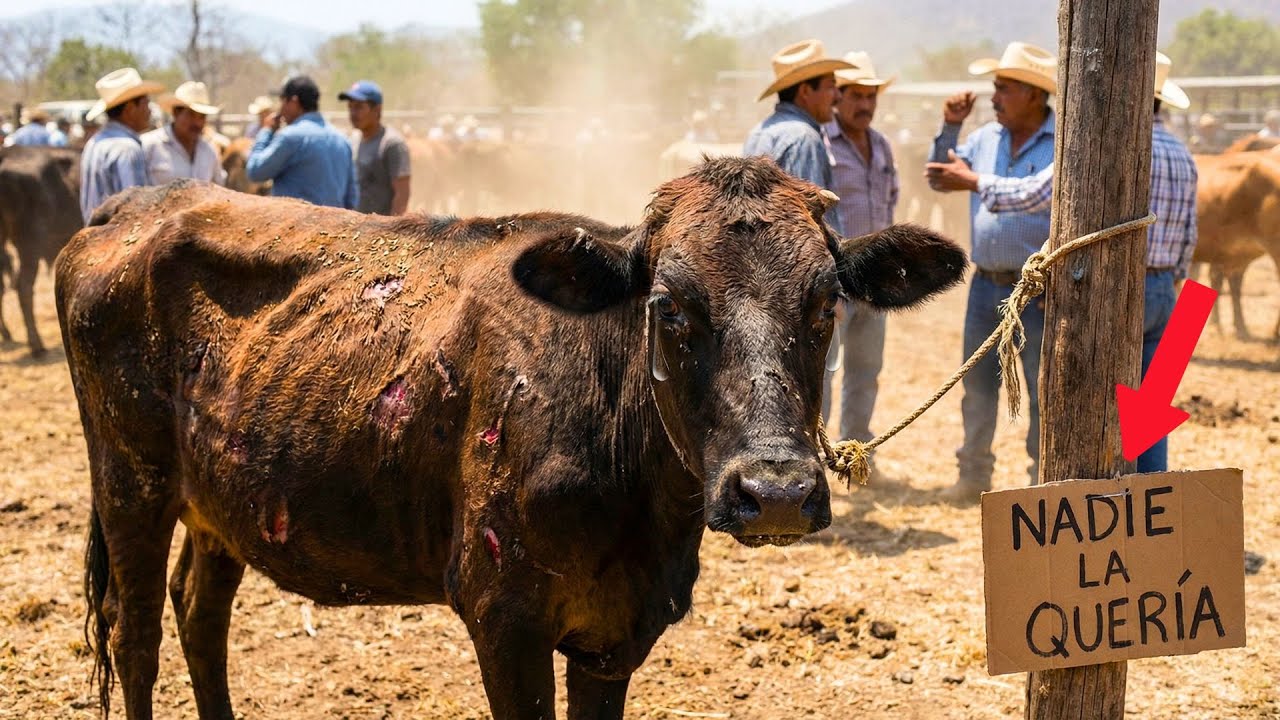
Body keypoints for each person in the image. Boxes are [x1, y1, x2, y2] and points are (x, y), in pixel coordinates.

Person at [930, 53, 1197, 473]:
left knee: (1103, 398)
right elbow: (1190, 232)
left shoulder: (1114, 147)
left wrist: (974, 181)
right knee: (1151, 410)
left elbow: (1038, 193)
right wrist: (1174, 281)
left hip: (1122, 286)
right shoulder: (1184, 155)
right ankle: (1150, 485)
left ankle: (1108, 485)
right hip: (1170, 292)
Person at [923, 41, 1057, 500]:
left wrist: (972, 180)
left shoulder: (1062, 142)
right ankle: (974, 475)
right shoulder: (984, 139)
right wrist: (950, 126)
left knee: (1042, 387)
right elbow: (939, 175)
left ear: (1034, 94)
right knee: (978, 385)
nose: (994, 97)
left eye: (1004, 88)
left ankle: (1042, 480)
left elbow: (1033, 192)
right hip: (987, 284)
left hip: (1039, 288)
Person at [821, 51, 899, 455]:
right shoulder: (822, 145)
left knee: (866, 370)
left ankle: (855, 453)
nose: (865, 104)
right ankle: (816, 455)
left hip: (873, 281)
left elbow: (890, 201)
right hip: (833, 280)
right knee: (821, 372)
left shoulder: (881, 145)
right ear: (837, 96)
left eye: (871, 96)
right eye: (856, 95)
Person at [744, 39, 855, 233]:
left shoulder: (758, 132)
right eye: (831, 86)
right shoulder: (804, 138)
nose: (838, 96)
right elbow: (809, 223)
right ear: (805, 91)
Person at [246, 75, 357, 209]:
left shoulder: (290, 137)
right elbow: (351, 198)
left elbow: (256, 171)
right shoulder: (342, 140)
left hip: (296, 221)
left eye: (283, 101)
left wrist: (266, 131)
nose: (281, 109)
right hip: (336, 221)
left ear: (294, 101)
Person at [80, 68, 165, 222]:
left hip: (95, 233)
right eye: (146, 103)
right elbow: (136, 213)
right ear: (130, 109)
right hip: (118, 234)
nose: (149, 111)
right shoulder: (127, 149)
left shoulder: (95, 141)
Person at [340, 80, 411, 215]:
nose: (353, 113)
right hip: (356, 224)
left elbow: (402, 194)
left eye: (359, 107)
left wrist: (392, 226)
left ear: (377, 110)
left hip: (380, 225)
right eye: (350, 107)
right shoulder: (353, 141)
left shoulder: (392, 144)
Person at [143, 81, 227, 186]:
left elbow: (219, 186)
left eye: (202, 116)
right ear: (176, 113)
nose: (197, 123)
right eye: (191, 115)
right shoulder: (149, 146)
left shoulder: (209, 151)